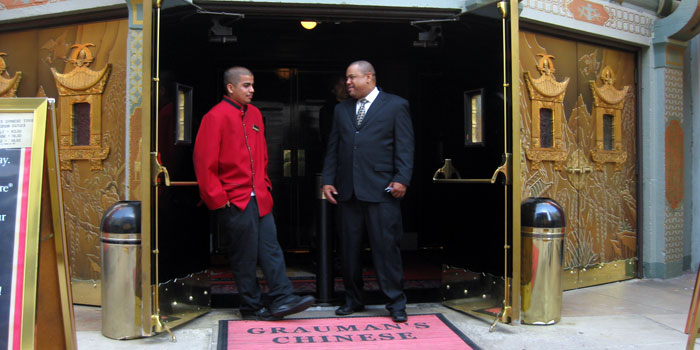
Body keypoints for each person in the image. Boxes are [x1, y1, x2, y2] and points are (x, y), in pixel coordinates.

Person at [193, 66, 315, 321]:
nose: (252, 90)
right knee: (245, 256)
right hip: (233, 200)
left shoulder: (256, 114)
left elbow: (262, 156)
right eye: (246, 85)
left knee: (271, 249)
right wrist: (219, 200)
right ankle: (250, 306)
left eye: (252, 85)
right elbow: (204, 163)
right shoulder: (214, 117)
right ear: (230, 88)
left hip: (260, 197)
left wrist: (266, 185)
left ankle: (283, 297)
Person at [321, 60, 414, 323]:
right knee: (348, 251)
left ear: (369, 77)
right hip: (348, 192)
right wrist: (327, 179)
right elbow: (334, 147)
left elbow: (405, 146)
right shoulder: (341, 110)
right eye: (347, 78)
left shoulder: (396, 105)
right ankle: (353, 299)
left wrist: (402, 179)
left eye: (352, 78)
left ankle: (395, 302)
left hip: (383, 191)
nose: (347, 83)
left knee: (386, 249)